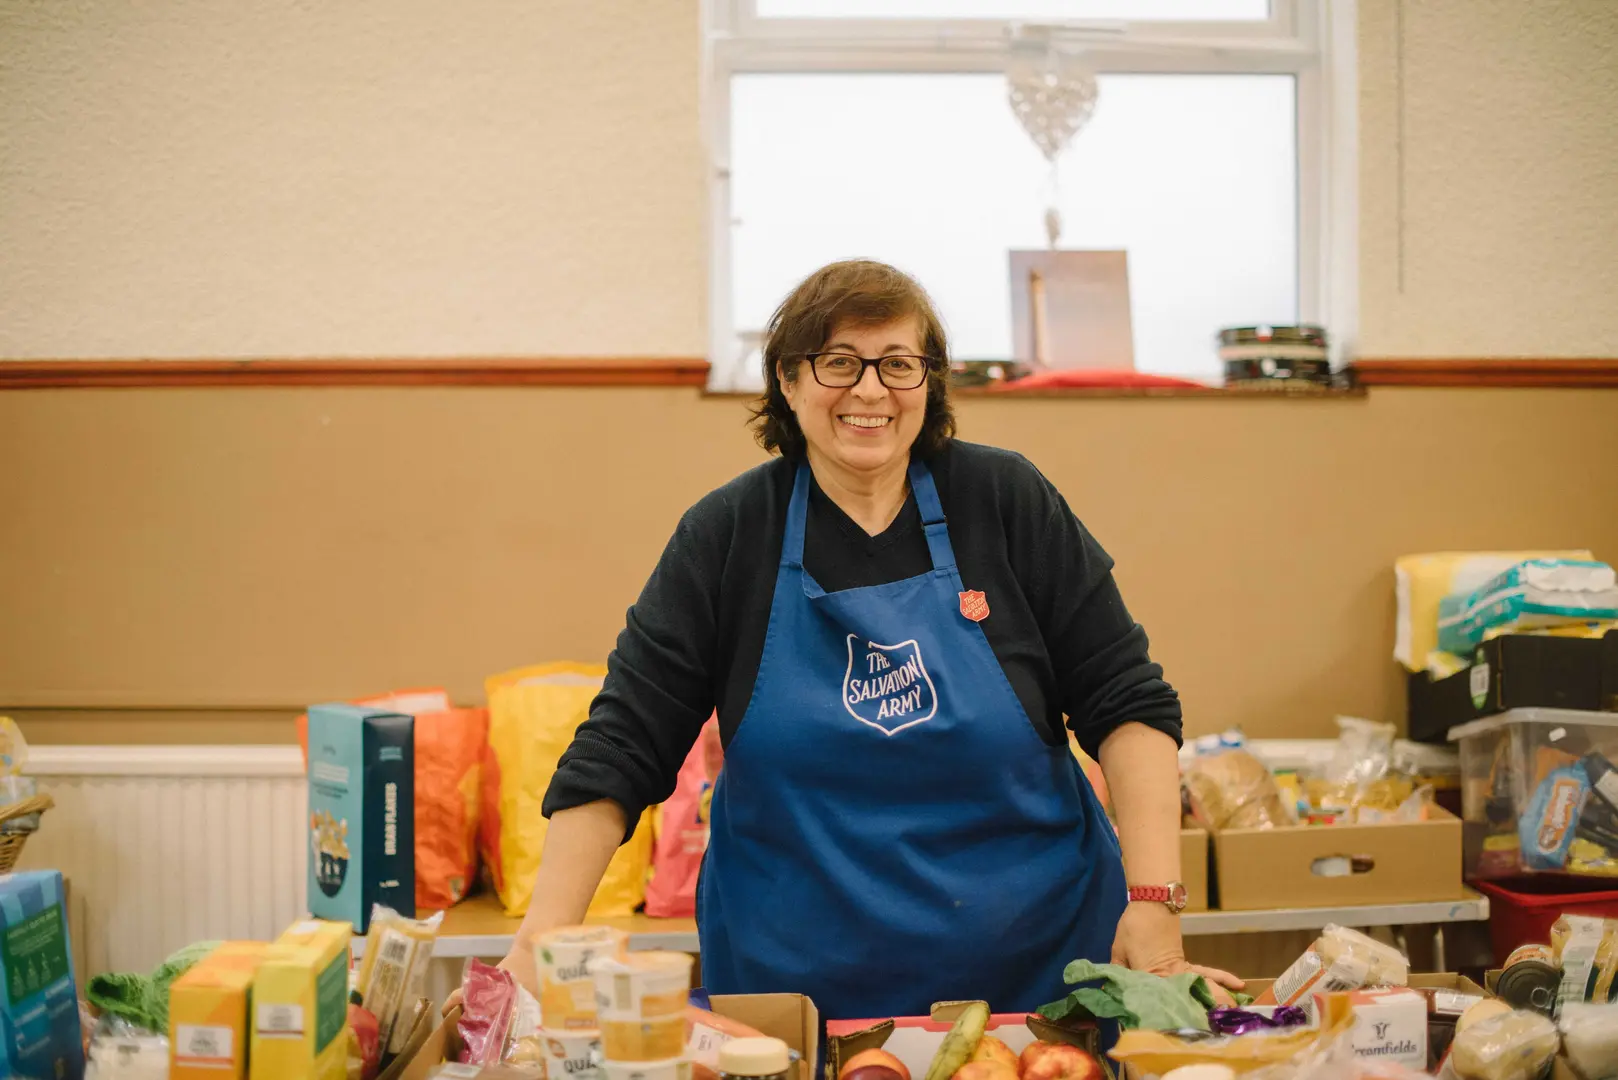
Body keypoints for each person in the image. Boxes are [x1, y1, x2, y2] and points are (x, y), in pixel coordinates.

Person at [497, 259, 1240, 1019]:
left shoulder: (1005, 502)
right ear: (788, 381)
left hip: (1041, 985)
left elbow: (1127, 702)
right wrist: (539, 939)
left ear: (930, 382)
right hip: (798, 1000)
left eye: (898, 364)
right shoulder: (728, 537)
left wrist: (1154, 905)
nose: (871, 390)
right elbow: (623, 743)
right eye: (839, 362)